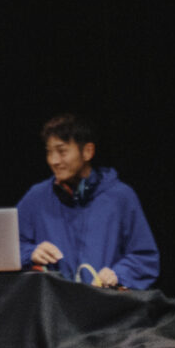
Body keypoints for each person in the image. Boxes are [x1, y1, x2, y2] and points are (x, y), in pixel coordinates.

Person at [18, 112, 158, 290]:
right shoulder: (36, 198)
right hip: (53, 304)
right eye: (49, 152)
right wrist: (30, 253)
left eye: (62, 151)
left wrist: (118, 274)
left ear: (87, 151)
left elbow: (144, 257)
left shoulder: (121, 197)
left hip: (106, 303)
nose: (53, 161)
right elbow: (6, 248)